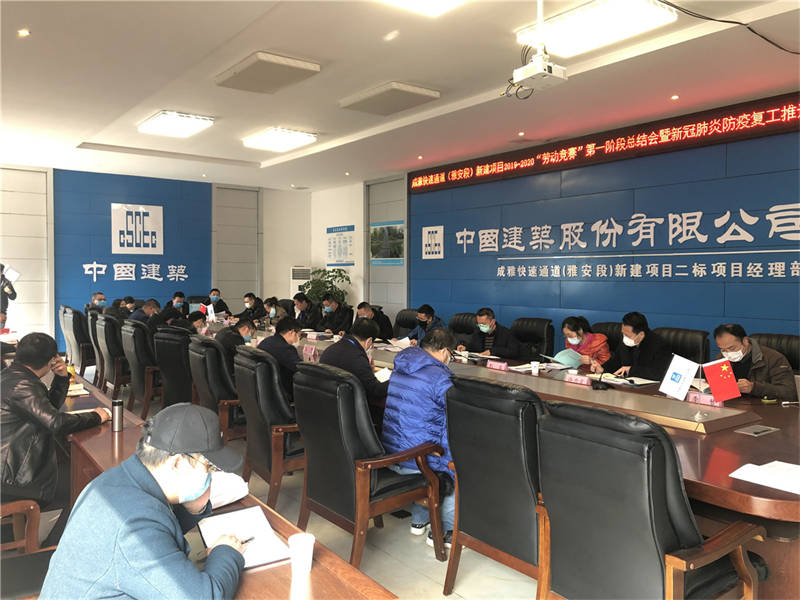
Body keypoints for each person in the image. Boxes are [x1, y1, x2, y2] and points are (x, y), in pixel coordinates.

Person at [40, 403, 246, 599]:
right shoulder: (134, 526)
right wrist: (226, 551)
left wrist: (194, 508)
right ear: (178, 464)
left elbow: (159, 533)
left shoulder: (115, 481)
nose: (211, 476)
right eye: (209, 468)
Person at [1, 333, 110, 545]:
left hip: (9, 465)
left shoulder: (12, 375)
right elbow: (55, 422)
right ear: (51, 359)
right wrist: (97, 416)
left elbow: (46, 411)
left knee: (73, 472)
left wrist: (61, 378)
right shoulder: (23, 385)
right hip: (12, 479)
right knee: (82, 486)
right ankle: (50, 548)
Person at [381, 328, 456, 548]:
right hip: (417, 461)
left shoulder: (402, 365)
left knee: (422, 441)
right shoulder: (440, 377)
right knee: (452, 466)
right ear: (444, 351)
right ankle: (444, 531)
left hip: (392, 453)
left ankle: (419, 521)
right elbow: (454, 416)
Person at [320, 318, 389, 426]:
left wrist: (368, 371)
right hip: (349, 415)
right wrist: (395, 380)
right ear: (369, 341)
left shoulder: (331, 349)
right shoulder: (357, 357)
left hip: (328, 410)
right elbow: (376, 390)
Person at [713, 324, 796, 401]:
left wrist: (754, 388)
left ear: (745, 341)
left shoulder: (774, 358)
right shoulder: (721, 358)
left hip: (765, 409)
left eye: (732, 348)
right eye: (723, 349)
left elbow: (789, 393)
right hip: (732, 407)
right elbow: (718, 391)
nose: (728, 353)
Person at [591, 312, 672, 380]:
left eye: (627, 335)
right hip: (625, 385)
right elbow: (616, 361)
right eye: (623, 333)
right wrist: (602, 369)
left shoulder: (659, 345)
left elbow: (659, 373)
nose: (624, 337)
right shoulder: (625, 341)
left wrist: (631, 370)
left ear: (641, 334)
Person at [257, 317, 302, 399]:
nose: (298, 339)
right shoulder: (286, 348)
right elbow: (301, 369)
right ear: (292, 332)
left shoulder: (266, 341)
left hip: (263, 391)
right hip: (281, 394)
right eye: (299, 335)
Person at [0, 263, 17, 329]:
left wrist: (9, 291)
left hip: (1, 313)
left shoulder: (6, 282)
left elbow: (13, 297)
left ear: (1, 272)